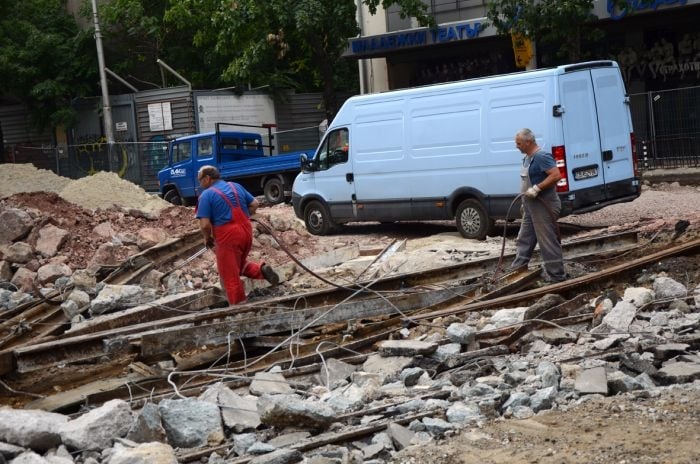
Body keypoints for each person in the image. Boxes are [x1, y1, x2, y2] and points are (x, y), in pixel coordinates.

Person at [195, 165, 279, 304]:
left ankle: (239, 307)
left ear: (207, 178)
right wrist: (244, 216)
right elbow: (255, 203)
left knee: (229, 274)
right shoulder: (235, 186)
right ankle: (261, 271)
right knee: (238, 265)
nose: (200, 184)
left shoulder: (206, 195)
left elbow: (204, 224)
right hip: (246, 230)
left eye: (200, 180)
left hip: (227, 235)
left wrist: (207, 238)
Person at [509, 128, 567, 282]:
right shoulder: (527, 158)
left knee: (547, 241)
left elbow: (556, 175)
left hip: (544, 205)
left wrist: (537, 188)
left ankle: (556, 276)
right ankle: (517, 270)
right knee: (524, 238)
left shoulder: (541, 156)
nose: (517, 146)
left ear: (528, 142)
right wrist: (525, 203)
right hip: (531, 206)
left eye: (519, 143)